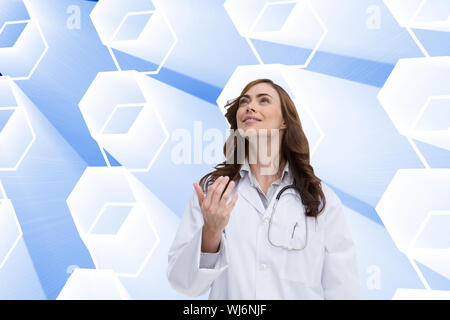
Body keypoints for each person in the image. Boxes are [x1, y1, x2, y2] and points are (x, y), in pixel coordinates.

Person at [166, 78, 360, 299]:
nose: (250, 106)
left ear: (284, 122)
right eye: (244, 102)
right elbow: (184, 284)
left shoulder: (320, 199)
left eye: (263, 100)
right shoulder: (213, 191)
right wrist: (211, 231)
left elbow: (343, 288)